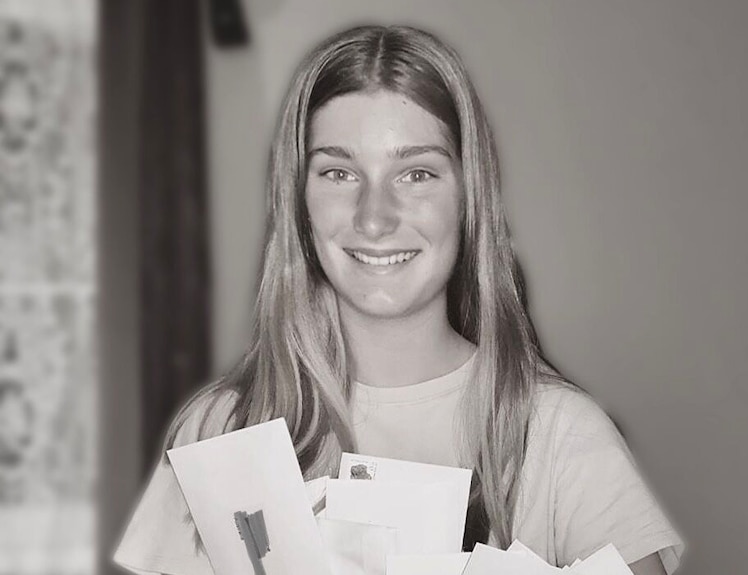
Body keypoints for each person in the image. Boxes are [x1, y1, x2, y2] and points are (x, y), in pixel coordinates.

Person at [114, 24, 684, 574]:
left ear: (468, 198)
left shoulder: (561, 435)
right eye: (338, 172)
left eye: (416, 174)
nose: (374, 216)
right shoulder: (220, 432)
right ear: (298, 202)